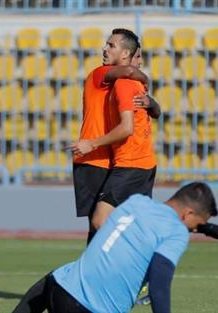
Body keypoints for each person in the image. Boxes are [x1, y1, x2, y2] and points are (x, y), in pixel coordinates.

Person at [11, 182, 218, 313]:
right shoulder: (176, 232)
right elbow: (159, 285)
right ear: (188, 214)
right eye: (196, 224)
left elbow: (161, 221)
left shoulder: (137, 203)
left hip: (58, 286)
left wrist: (206, 228)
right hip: (90, 308)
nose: (193, 230)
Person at [72, 28, 161, 244]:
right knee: (98, 228)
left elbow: (152, 112)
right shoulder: (100, 74)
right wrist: (144, 78)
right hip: (95, 160)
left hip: (108, 158)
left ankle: (123, 266)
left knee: (101, 225)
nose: (104, 48)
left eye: (110, 45)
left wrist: (151, 102)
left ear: (124, 53)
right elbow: (129, 72)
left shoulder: (124, 84)